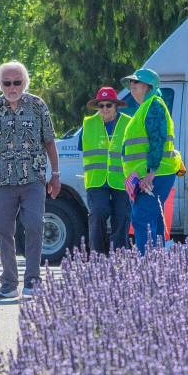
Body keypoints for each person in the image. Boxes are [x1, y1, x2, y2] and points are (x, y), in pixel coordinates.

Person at [0, 61, 61, 299]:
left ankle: (32, 281)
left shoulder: (38, 106)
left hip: (33, 179)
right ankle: (9, 283)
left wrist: (56, 175)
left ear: (24, 83)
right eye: (7, 83)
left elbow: (49, 141)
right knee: (2, 230)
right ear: (1, 85)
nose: (12, 87)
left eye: (17, 82)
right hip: (1, 180)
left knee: (34, 225)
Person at [121, 67, 183, 254]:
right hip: (152, 175)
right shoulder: (147, 106)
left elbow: (158, 139)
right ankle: (156, 265)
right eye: (131, 82)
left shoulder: (154, 106)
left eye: (136, 82)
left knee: (142, 218)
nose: (132, 86)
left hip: (156, 174)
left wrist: (151, 173)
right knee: (153, 219)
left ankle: (147, 265)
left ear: (148, 86)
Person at [77, 86, 131, 254]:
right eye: (101, 105)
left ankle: (120, 257)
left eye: (109, 105)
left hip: (122, 179)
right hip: (96, 179)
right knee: (99, 212)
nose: (105, 109)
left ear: (116, 106)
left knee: (121, 216)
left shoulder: (129, 123)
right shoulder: (89, 124)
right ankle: (97, 256)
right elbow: (81, 147)